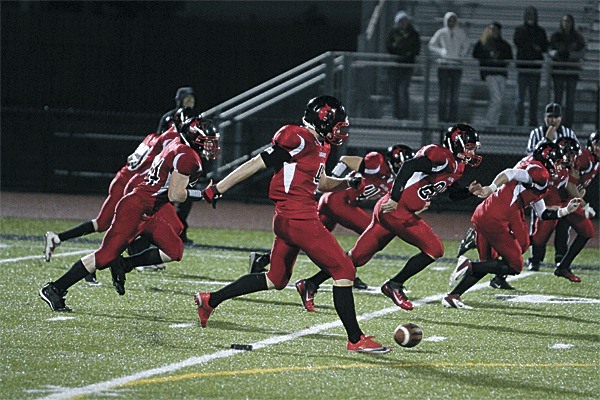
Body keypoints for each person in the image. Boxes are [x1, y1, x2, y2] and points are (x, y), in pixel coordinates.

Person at [194, 95, 392, 354]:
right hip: (297, 216)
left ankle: (210, 300)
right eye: (336, 126)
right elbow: (257, 162)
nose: (340, 132)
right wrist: (219, 188)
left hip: (290, 217)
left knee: (275, 278)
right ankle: (355, 339)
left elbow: (321, 184)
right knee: (344, 269)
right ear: (321, 122)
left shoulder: (320, 144)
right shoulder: (298, 137)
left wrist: (348, 182)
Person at [39, 116, 220, 311]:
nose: (211, 147)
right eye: (206, 142)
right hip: (137, 207)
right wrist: (202, 194)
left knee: (174, 249)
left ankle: (125, 264)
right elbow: (175, 194)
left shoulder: (178, 145)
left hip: (150, 209)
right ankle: (55, 288)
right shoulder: (187, 157)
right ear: (194, 138)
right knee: (105, 256)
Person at [43, 107, 194, 281]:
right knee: (112, 226)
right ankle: (113, 260)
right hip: (135, 184)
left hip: (132, 180)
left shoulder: (152, 137)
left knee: (109, 225)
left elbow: (133, 159)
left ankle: (119, 257)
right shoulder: (172, 139)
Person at [345, 124, 484, 311]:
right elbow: (408, 166)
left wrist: (469, 192)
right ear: (456, 144)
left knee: (357, 257)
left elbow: (452, 192)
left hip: (393, 209)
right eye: (469, 147)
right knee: (434, 248)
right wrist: (394, 198)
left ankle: (310, 284)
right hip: (396, 209)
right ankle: (394, 284)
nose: (471, 152)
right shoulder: (441, 156)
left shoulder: (457, 165)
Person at [249, 144, 415, 294]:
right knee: (373, 233)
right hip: (338, 200)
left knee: (304, 239)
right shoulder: (377, 163)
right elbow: (345, 160)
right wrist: (328, 180)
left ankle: (262, 260)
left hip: (334, 203)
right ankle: (344, 270)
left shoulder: (395, 180)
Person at [444, 141, 582, 309]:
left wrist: (566, 210)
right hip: (496, 218)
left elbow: (543, 214)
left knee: (488, 263)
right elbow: (510, 173)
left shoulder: (539, 180)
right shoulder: (539, 172)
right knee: (516, 265)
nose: (559, 167)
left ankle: (453, 296)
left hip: (485, 214)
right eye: (557, 162)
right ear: (548, 160)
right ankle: (467, 264)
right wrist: (491, 187)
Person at [157, 86, 198, 244]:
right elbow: (159, 139)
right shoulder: (169, 118)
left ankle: (179, 231)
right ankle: (162, 232)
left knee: (186, 199)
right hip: (169, 165)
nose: (190, 101)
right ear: (179, 100)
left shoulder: (196, 118)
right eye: (187, 98)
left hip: (186, 165)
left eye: (192, 98)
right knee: (164, 200)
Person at [428, 12, 469, 122]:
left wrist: (461, 54)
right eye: (449, 20)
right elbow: (431, 45)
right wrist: (441, 51)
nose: (451, 23)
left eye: (453, 20)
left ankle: (452, 118)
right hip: (444, 65)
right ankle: (441, 118)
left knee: (454, 94)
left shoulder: (460, 32)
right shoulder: (441, 33)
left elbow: (466, 45)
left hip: (456, 65)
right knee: (443, 93)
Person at [472, 22, 513, 126]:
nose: (493, 32)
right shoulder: (484, 43)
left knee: (500, 98)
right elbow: (475, 54)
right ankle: (489, 121)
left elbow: (509, 57)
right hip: (489, 74)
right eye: (491, 30)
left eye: (495, 30)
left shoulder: (504, 44)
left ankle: (495, 122)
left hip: (501, 74)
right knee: (497, 98)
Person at [549, 14, 586, 128]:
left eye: (568, 21)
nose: (566, 24)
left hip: (571, 72)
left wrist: (569, 55)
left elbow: (582, 52)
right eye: (564, 21)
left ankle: (568, 124)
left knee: (570, 100)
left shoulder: (577, 37)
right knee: (558, 99)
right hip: (559, 72)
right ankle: (556, 124)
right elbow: (550, 50)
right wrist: (557, 54)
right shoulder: (556, 36)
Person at [513, 6, 548, 127]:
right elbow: (518, 42)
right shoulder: (520, 30)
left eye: (533, 14)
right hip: (522, 68)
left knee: (534, 98)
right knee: (519, 99)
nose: (530, 16)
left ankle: (533, 122)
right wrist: (532, 46)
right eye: (528, 14)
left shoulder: (540, 31)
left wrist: (535, 47)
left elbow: (544, 47)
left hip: (535, 69)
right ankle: (519, 122)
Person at [386, 11, 421, 120]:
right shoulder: (393, 32)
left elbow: (416, 48)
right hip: (395, 64)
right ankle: (395, 115)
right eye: (401, 21)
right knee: (395, 90)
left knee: (404, 89)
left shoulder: (413, 33)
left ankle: (405, 115)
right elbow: (389, 46)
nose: (403, 23)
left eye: (405, 21)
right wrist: (398, 52)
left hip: (408, 65)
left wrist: (408, 54)